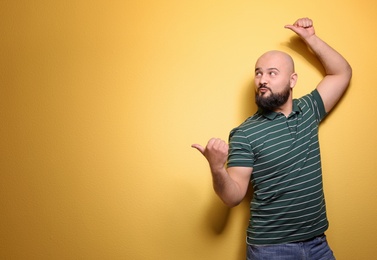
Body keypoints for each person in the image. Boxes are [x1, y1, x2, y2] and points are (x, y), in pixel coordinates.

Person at [192, 17, 352, 259]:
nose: (262, 80)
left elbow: (341, 72)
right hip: (270, 249)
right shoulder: (245, 133)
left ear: (292, 80)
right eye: (258, 73)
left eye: (272, 73)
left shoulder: (308, 110)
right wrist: (217, 168)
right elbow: (233, 197)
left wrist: (310, 39)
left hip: (318, 243)